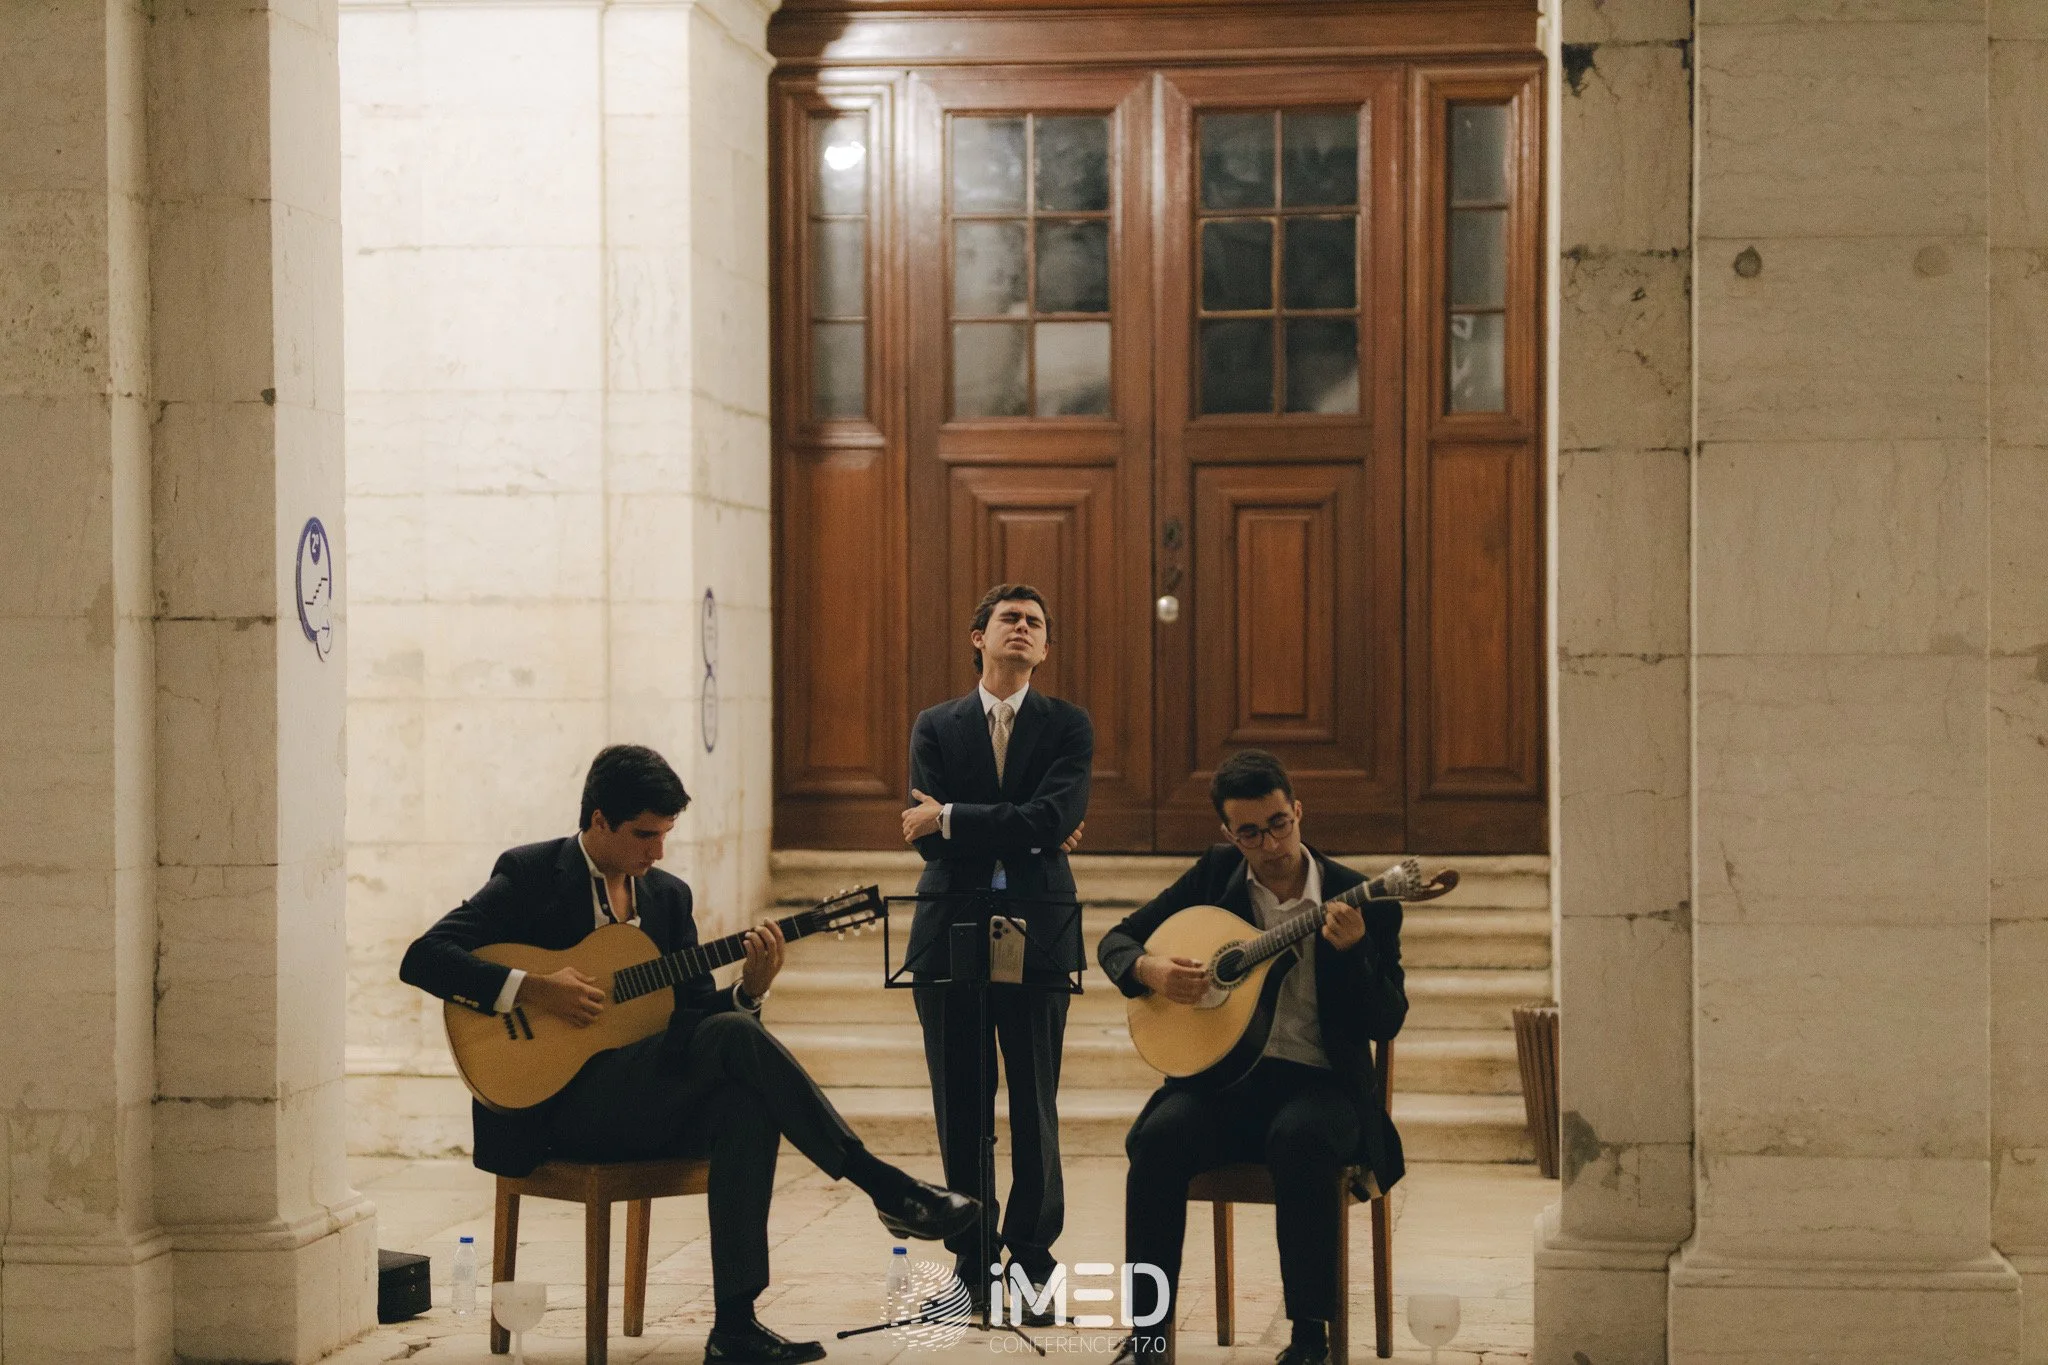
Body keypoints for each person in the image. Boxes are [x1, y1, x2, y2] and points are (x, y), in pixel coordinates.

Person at [401, 744, 978, 1365]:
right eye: (644, 835)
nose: (657, 853)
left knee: (744, 1104)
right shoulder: (531, 874)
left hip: (640, 1098)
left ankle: (734, 1325)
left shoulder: (667, 898)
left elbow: (701, 1017)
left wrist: (750, 992)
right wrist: (537, 988)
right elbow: (424, 957)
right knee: (733, 1049)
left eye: (666, 835)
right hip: (550, 1109)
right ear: (598, 821)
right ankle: (883, 1186)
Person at [1095, 749, 1410, 1365]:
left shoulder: (1363, 898)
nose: (1270, 844)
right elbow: (1116, 940)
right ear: (1228, 834)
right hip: (1225, 1082)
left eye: (1278, 824)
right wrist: (1151, 970)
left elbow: (1386, 1020)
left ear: (1297, 810)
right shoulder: (1215, 877)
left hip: (1323, 1086)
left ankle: (1309, 1337)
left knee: (1301, 1139)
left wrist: (1355, 952)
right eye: (1250, 832)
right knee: (1158, 1139)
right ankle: (1150, 1335)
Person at [900, 583, 1092, 1314]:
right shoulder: (936, 725)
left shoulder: (1068, 726)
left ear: (1045, 647)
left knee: (1034, 1102)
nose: (1022, 628)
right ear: (977, 636)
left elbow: (1057, 812)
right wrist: (1025, 827)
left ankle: (1034, 1258)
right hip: (951, 930)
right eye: (1008, 618)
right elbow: (933, 850)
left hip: (1038, 931)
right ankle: (972, 1256)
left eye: (1034, 622)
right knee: (960, 1100)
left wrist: (949, 815)